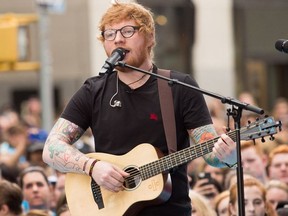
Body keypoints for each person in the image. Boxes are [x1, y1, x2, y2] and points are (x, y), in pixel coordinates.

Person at [42, 2, 237, 215]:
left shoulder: (178, 87)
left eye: (128, 31)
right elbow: (51, 148)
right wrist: (92, 167)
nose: (118, 39)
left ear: (150, 37)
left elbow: (211, 154)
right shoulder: (93, 90)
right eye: (110, 34)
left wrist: (228, 156)